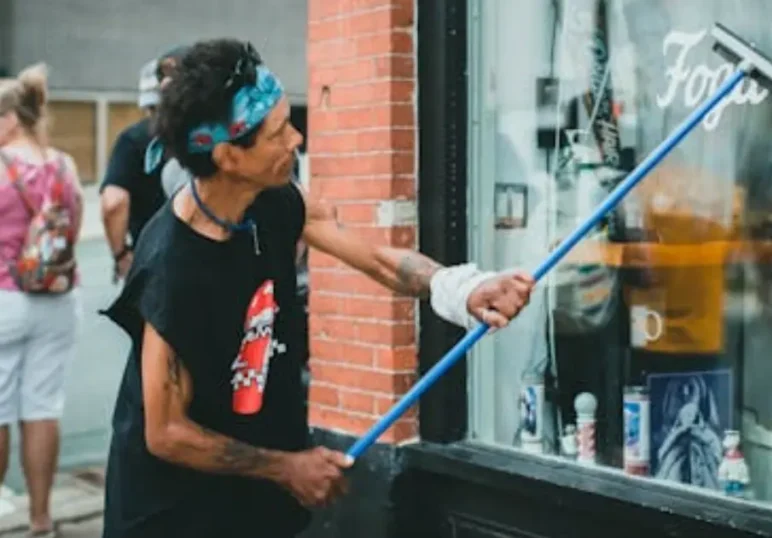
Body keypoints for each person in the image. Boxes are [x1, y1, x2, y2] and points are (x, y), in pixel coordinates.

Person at [99, 39, 535, 538]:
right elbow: (167, 432)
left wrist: (462, 289)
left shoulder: (277, 201)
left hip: (256, 498)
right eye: (278, 132)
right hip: (175, 514)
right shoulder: (171, 265)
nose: (296, 139)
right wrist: (287, 467)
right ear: (228, 156)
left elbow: (374, 258)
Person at [0, 63, 84, 538]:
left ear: (10, 117)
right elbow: (71, 229)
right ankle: (41, 520)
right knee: (42, 408)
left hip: (4, 298)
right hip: (56, 300)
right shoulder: (64, 165)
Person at [99, 47, 188, 282]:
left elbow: (113, 203)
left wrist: (120, 255)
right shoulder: (219, 137)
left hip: (151, 265)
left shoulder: (134, 139)